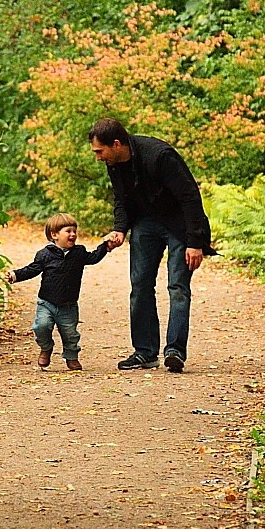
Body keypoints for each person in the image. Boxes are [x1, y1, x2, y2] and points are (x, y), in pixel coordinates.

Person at [88, 118, 216, 373]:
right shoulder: (114, 163)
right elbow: (121, 199)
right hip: (146, 223)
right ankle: (145, 352)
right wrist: (120, 228)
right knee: (140, 286)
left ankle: (175, 351)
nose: (98, 158)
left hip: (179, 224)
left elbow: (190, 196)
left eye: (99, 152)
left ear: (116, 144)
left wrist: (194, 242)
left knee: (178, 287)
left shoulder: (159, 156)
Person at [6, 213, 115, 371]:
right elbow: (32, 269)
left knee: (70, 334)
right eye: (68, 231)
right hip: (46, 302)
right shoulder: (45, 254)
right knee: (41, 327)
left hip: (68, 305)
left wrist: (105, 245)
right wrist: (15, 275)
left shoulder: (79, 252)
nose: (73, 234)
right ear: (54, 235)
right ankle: (46, 347)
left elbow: (94, 257)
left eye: (74, 231)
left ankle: (71, 356)